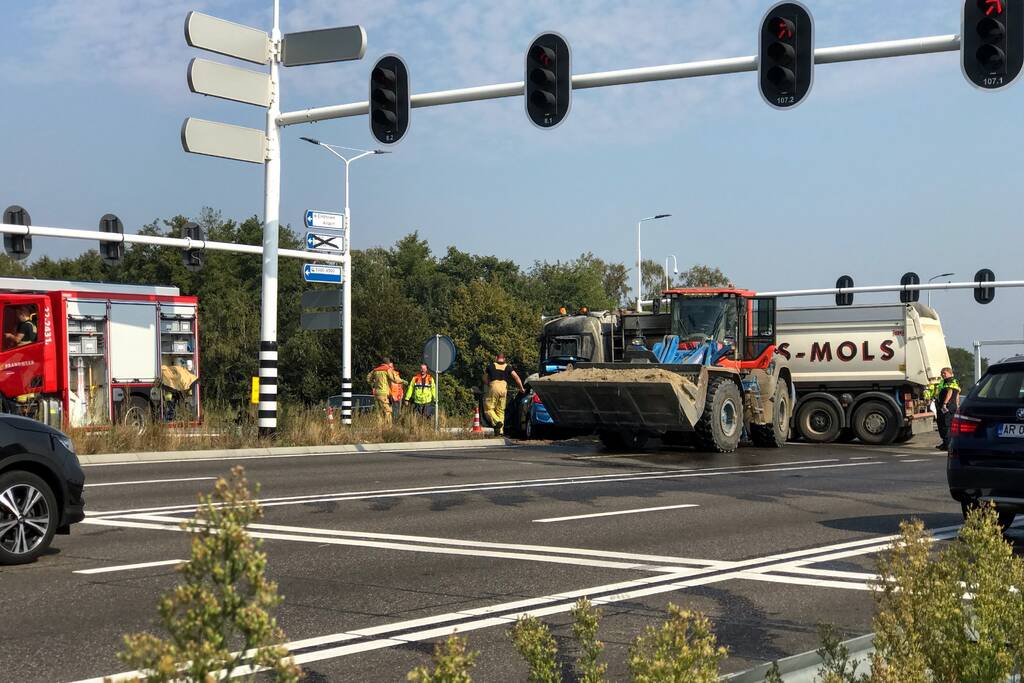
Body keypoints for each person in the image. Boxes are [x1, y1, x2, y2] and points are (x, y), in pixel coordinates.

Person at [483, 352, 525, 435]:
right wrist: (521, 388)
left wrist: (489, 384)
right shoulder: (508, 367)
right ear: (504, 359)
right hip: (504, 389)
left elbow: (484, 378)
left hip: (494, 386)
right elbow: (516, 377)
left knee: (488, 409)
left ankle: (497, 421)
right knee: (500, 410)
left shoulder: (490, 366)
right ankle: (500, 431)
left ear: (496, 358)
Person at [366, 358, 404, 425]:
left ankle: (379, 427)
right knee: (388, 411)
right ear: (388, 363)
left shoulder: (376, 370)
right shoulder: (387, 369)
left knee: (379, 412)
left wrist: (373, 384)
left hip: (376, 393)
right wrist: (403, 381)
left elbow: (368, 378)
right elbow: (394, 379)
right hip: (384, 393)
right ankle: (388, 427)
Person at [934, 366, 961, 450]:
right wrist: (957, 406)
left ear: (950, 373)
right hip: (946, 406)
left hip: (947, 407)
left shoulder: (951, 381)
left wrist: (945, 404)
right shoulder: (945, 382)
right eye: (941, 373)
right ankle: (945, 443)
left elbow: (950, 392)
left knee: (946, 425)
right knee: (942, 424)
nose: (942, 374)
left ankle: (948, 444)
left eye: (944, 373)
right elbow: (957, 395)